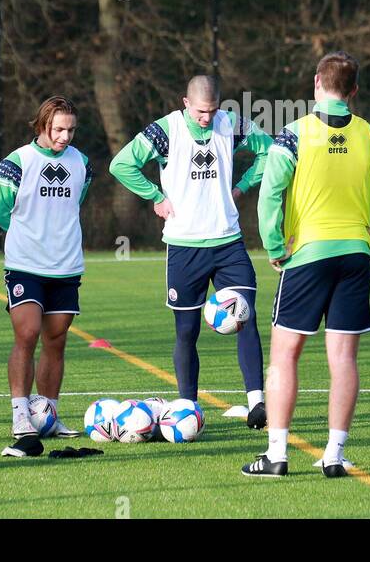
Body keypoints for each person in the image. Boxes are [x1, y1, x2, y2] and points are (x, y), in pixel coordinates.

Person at [243, 51, 370, 478]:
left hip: (307, 256)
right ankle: (334, 455)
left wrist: (273, 245)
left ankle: (277, 455)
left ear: (317, 83)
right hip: (356, 256)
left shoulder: (293, 134)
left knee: (285, 353)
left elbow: (270, 193)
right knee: (343, 358)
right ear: (354, 90)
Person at [109, 75, 271, 427]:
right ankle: (187, 408)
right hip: (184, 246)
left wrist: (243, 186)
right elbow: (121, 164)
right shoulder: (165, 130)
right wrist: (156, 197)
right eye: (200, 111)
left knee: (247, 318)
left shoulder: (231, 124)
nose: (206, 118)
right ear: (185, 103)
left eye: (212, 111)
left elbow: (270, 151)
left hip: (229, 241)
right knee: (186, 331)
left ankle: (258, 403)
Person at [0, 96, 91, 455]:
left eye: (71, 129)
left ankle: (47, 414)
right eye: (59, 129)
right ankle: (21, 415)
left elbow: (76, 202)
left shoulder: (81, 163)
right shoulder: (16, 163)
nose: (66, 136)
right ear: (42, 126)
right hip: (25, 265)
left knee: (56, 340)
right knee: (28, 333)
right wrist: (29, 236)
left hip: (66, 266)